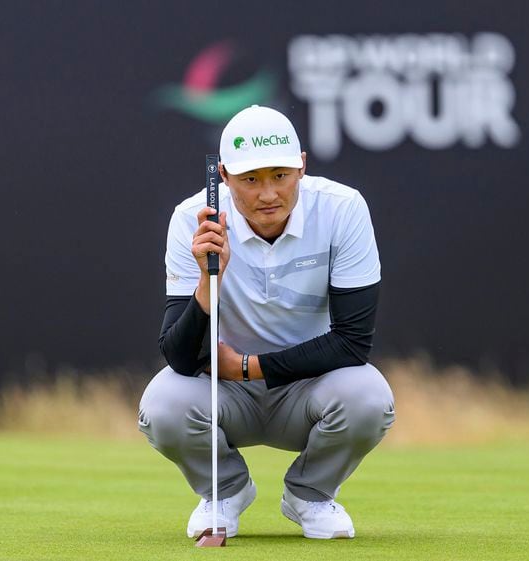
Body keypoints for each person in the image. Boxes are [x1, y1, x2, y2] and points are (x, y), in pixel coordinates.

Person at [138, 105, 395, 540]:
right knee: (162, 403)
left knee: (369, 396)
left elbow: (352, 344)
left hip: (309, 388)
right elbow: (180, 356)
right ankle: (226, 492)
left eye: (280, 175)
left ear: (302, 167)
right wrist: (207, 278)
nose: (268, 193)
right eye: (251, 179)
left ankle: (310, 494)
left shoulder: (342, 209)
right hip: (222, 392)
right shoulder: (193, 219)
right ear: (222, 176)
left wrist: (246, 366)